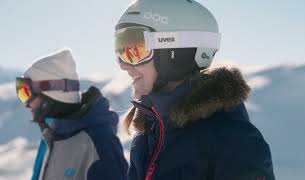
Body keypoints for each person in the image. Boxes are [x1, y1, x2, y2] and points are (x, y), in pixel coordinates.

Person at [114, 0, 275, 179]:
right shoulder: (147, 135)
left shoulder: (234, 141)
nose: (123, 64)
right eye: (121, 48)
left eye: (135, 49)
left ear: (174, 53)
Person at [15, 49, 128, 180]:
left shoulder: (99, 144)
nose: (27, 104)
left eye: (27, 94)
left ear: (50, 94)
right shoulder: (49, 138)